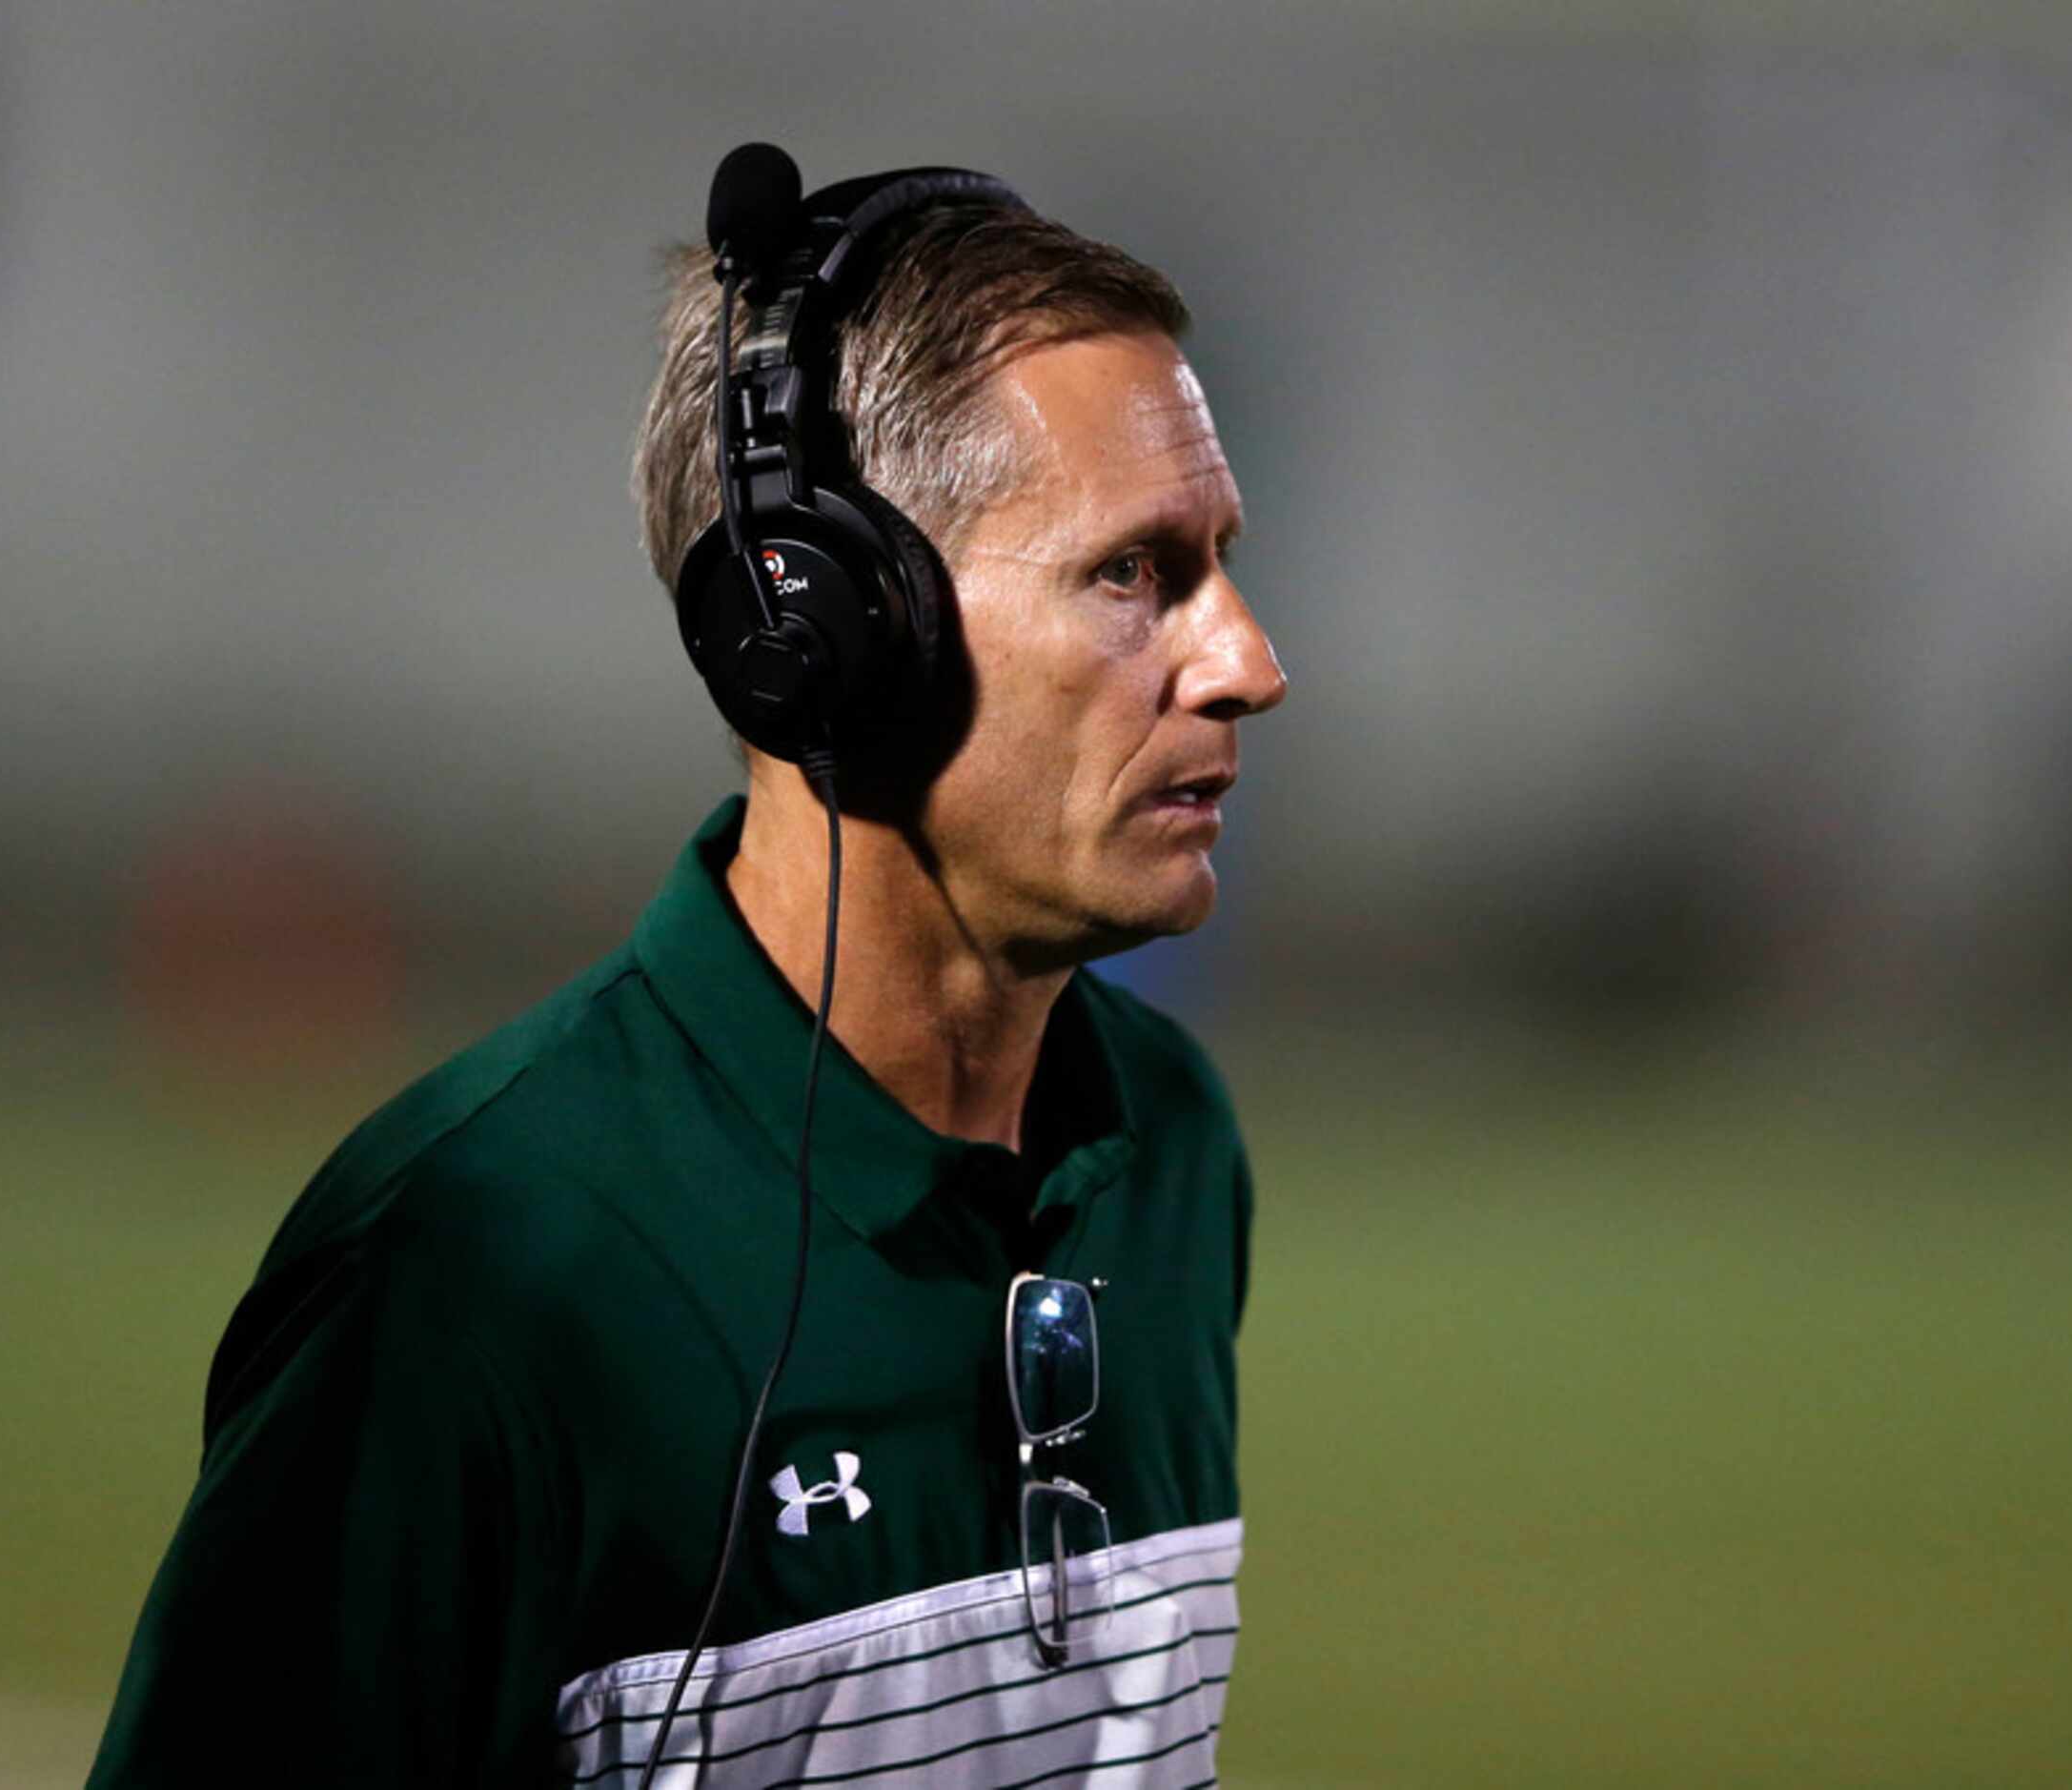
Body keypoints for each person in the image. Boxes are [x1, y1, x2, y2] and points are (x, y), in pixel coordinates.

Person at [87, 153, 1286, 1787]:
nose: (1249, 664)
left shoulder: (1168, 1142)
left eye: (1217, 562)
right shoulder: (474, 1266)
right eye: (1134, 573)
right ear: (828, 630)